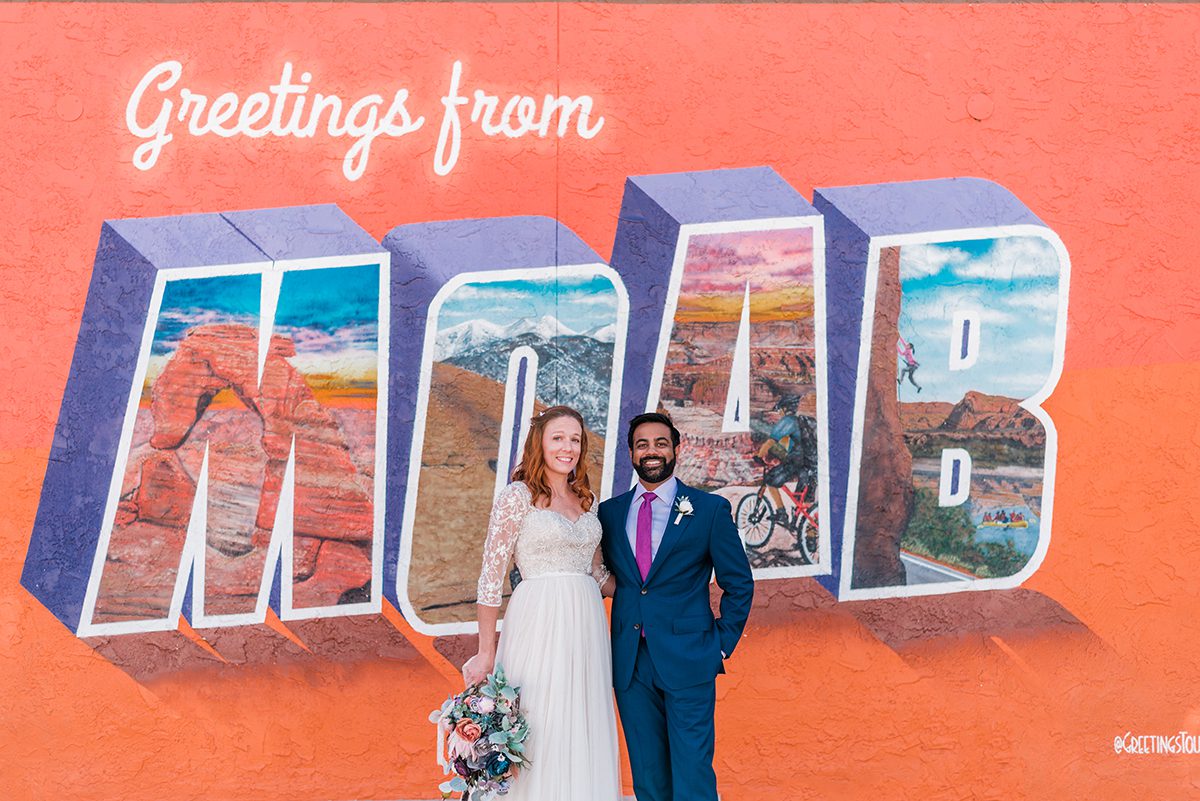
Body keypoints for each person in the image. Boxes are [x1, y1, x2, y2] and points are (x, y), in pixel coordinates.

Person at [463, 406, 621, 800]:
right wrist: (486, 650)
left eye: (575, 439)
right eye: (558, 437)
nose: (567, 447)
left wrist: (655, 591)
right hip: (539, 619)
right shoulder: (517, 497)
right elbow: (490, 577)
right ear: (540, 443)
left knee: (580, 718)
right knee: (539, 718)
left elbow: (598, 573)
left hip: (586, 622)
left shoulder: (588, 500)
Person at [598, 412, 755, 801]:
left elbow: (738, 584)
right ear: (631, 454)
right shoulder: (610, 514)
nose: (652, 452)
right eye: (642, 445)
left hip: (690, 657)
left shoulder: (708, 510)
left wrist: (720, 643)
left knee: (693, 772)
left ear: (676, 449)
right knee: (648, 777)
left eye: (660, 443)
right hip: (631, 663)